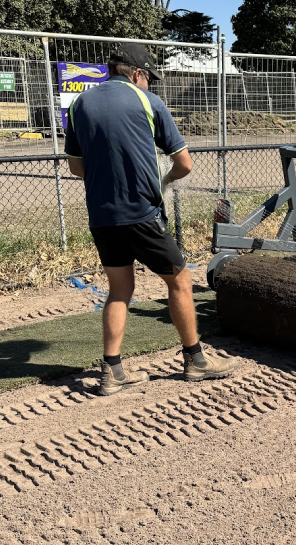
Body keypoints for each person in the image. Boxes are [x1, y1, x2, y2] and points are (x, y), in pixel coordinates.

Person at [65, 42, 238, 396]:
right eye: (149, 78)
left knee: (120, 290)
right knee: (180, 281)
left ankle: (112, 371)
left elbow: (76, 167)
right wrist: (165, 179)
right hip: (141, 214)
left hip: (102, 216)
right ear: (137, 74)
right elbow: (184, 163)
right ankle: (196, 361)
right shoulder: (148, 101)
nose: (150, 84)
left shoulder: (81, 103)